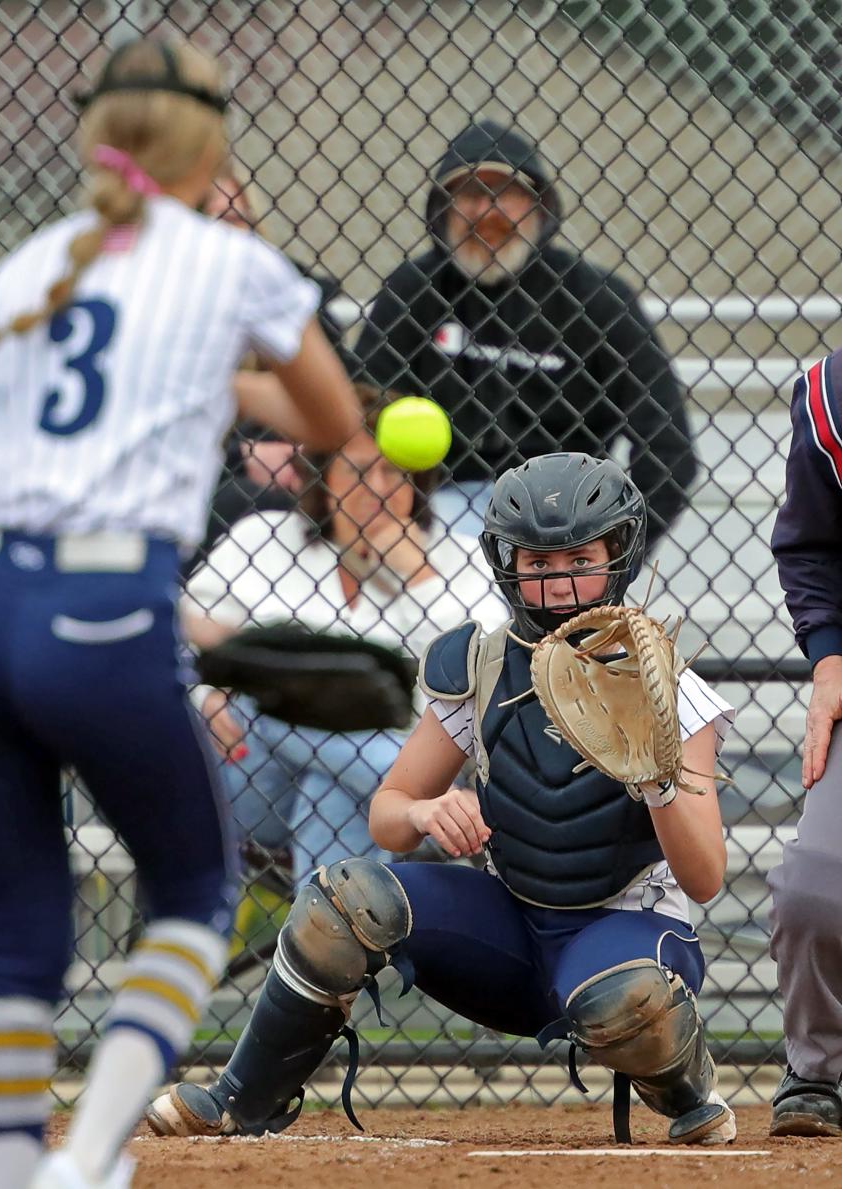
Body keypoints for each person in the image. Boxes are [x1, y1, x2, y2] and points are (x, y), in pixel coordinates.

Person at [0, 38, 359, 1189]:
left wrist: (189, 374)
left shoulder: (31, 263)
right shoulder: (225, 259)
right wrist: (218, 367)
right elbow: (327, 414)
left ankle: (17, 1171)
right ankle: (87, 1157)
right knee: (196, 892)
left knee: (25, 919)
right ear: (208, 143)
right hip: (101, 604)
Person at [147, 452, 737, 1147]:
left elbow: (704, 877)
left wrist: (658, 776)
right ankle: (239, 1098)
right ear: (504, 559)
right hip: (512, 930)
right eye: (536, 562)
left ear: (619, 554)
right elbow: (388, 815)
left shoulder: (668, 687)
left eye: (577, 557)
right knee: (342, 898)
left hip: (628, 930)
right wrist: (426, 811)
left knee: (624, 998)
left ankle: (690, 1089)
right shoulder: (481, 663)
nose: (555, 582)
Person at [183, 383, 508, 886]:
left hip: (373, 797)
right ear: (324, 478)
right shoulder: (261, 540)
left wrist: (418, 578)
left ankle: (322, 951)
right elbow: (182, 639)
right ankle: (405, 793)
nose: (378, 488)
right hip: (252, 776)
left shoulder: (455, 560)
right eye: (359, 471)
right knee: (275, 695)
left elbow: (482, 676)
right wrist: (202, 696)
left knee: (333, 792)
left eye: (394, 472)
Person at [354, 119, 697, 548]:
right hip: (429, 511)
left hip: (560, 521)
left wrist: (615, 554)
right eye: (470, 194)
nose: (485, 211)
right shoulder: (413, 290)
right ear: (444, 210)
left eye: (505, 194)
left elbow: (670, 451)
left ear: (539, 205)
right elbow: (358, 416)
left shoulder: (596, 299)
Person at [767, 353, 842, 1137]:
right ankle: (819, 1069)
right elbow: (811, 545)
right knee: (814, 887)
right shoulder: (834, 396)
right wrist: (829, 657)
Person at [200, 163, 347, 553]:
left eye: (237, 216)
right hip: (214, 475)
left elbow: (342, 405)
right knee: (237, 501)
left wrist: (303, 453)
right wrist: (242, 455)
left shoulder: (290, 297)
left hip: (299, 468)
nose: (230, 232)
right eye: (214, 218)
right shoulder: (173, 311)